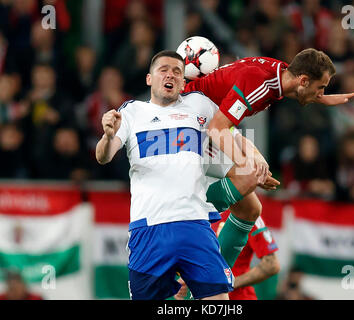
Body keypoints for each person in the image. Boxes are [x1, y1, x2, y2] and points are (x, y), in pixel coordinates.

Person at [95, 50, 265, 300]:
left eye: (177, 71)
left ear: (184, 81)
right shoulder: (131, 112)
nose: (170, 74)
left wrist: (257, 157)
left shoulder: (200, 105)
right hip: (148, 227)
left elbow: (236, 138)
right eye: (163, 69)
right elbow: (104, 156)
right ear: (149, 78)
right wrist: (108, 135)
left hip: (194, 224)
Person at [183, 47, 354, 270]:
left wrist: (320, 98)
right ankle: (187, 212)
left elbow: (226, 123)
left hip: (209, 116)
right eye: (321, 87)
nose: (321, 92)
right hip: (191, 121)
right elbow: (218, 128)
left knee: (250, 209)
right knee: (248, 177)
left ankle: (215, 274)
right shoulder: (261, 84)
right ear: (304, 80)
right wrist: (246, 163)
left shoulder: (280, 73)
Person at [174, 210, 280, 300]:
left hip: (240, 297)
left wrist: (229, 283)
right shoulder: (200, 212)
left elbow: (271, 264)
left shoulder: (248, 213)